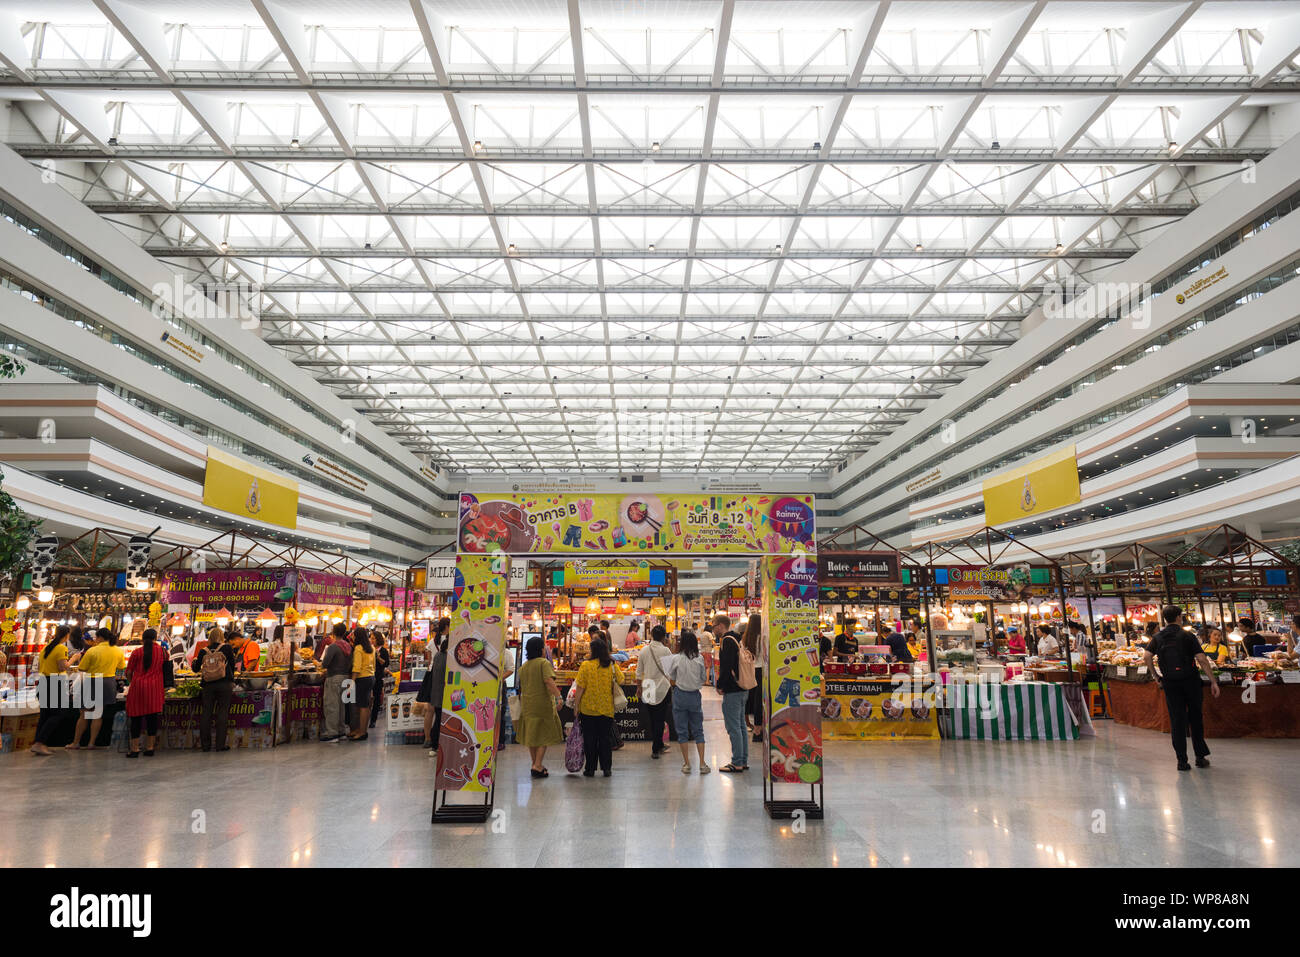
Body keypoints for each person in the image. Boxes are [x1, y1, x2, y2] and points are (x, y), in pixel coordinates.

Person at [1144, 605, 1220, 771]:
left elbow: (1147, 656)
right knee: (1195, 718)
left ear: (1165, 619)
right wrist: (1213, 681)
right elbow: (1202, 659)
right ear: (1179, 617)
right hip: (1191, 681)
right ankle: (1200, 757)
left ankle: (1181, 761)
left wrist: (1156, 676)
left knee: (1177, 720)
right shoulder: (1187, 636)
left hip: (1170, 683)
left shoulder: (1158, 637)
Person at [569, 637, 623, 778]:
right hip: (606, 708)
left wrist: (576, 706)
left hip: (588, 709)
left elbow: (580, 687)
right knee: (605, 739)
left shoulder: (586, 666)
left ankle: (590, 769)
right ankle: (606, 768)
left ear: (593, 650)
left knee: (590, 739)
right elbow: (621, 679)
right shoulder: (611, 665)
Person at [68, 628, 124, 750]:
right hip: (108, 682)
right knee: (98, 715)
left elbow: (82, 668)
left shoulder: (93, 650)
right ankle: (91, 743)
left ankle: (76, 743)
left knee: (84, 714)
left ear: (99, 638)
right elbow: (121, 666)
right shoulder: (117, 650)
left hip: (91, 681)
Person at [516, 636, 564, 778]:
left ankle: (535, 764)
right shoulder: (544, 663)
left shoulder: (523, 667)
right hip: (542, 704)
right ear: (541, 649)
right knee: (544, 734)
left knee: (532, 735)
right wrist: (558, 697)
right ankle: (537, 765)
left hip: (528, 705)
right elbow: (549, 681)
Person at [667, 630, 709, 775]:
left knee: (682, 731)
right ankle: (702, 764)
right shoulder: (700, 658)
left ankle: (687, 764)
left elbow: (671, 676)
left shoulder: (676, 658)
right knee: (698, 730)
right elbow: (703, 678)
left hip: (679, 695)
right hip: (694, 696)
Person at [635, 624, 678, 758]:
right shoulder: (666, 651)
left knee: (652, 718)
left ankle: (658, 745)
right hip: (662, 688)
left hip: (648, 686)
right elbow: (670, 671)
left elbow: (638, 672)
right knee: (660, 718)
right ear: (664, 637)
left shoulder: (644, 651)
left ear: (651, 635)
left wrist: (638, 687)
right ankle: (656, 747)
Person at [714, 614, 749, 773]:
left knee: (733, 726)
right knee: (740, 725)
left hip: (733, 689)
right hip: (742, 687)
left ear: (721, 625)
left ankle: (736, 762)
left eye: (714, 625)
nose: (713, 629)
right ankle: (743, 759)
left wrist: (720, 685)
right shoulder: (738, 638)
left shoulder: (727, 641)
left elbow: (726, 667)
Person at [124, 628, 166, 758]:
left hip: (137, 688)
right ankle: (150, 747)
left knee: (135, 719)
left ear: (143, 638)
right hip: (154, 689)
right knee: (152, 719)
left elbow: (129, 672)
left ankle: (135, 749)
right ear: (155, 638)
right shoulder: (163, 652)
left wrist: (133, 682)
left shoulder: (137, 652)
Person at [30, 625, 72, 756]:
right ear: (67, 636)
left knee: (45, 714)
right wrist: (73, 660)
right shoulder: (61, 648)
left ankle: (39, 743)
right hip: (54, 682)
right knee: (59, 713)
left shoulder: (47, 648)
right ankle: (39, 743)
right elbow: (62, 667)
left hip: (43, 682)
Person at [194, 626, 236, 752]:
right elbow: (232, 665)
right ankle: (220, 745)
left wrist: (195, 662)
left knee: (206, 713)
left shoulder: (203, 651)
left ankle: (205, 746)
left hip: (207, 685)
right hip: (224, 684)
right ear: (222, 637)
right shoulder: (227, 648)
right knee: (222, 712)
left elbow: (196, 669)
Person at [417, 617, 450, 747]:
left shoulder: (432, 642)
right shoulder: (451, 640)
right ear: (447, 626)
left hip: (431, 676)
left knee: (430, 709)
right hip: (445, 676)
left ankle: (427, 738)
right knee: (444, 709)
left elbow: (429, 662)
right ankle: (442, 738)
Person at [320, 622, 352, 742]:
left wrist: (319, 664)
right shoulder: (348, 646)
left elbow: (325, 664)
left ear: (333, 632)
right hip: (346, 678)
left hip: (334, 677)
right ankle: (341, 730)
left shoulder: (333, 647)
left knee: (332, 706)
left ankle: (332, 733)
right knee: (342, 706)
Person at [348, 626, 375, 741]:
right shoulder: (371, 648)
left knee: (362, 706)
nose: (352, 636)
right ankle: (360, 730)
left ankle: (362, 732)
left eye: (354, 634)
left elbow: (357, 667)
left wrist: (351, 682)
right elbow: (373, 665)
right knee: (365, 705)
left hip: (362, 678)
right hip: (370, 677)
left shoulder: (359, 648)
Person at [742, 614, 764, 742]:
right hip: (761, 671)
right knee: (759, 701)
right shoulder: (763, 638)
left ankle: (753, 727)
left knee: (750, 699)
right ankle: (758, 730)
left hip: (750, 670)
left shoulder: (746, 638)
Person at [370, 631, 390, 729]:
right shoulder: (369, 649)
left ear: (378, 639)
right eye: (371, 638)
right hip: (369, 675)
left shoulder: (383, 651)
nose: (371, 640)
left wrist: (378, 657)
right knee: (368, 698)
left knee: (377, 697)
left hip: (378, 676)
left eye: (373, 638)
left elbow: (385, 664)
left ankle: (373, 719)